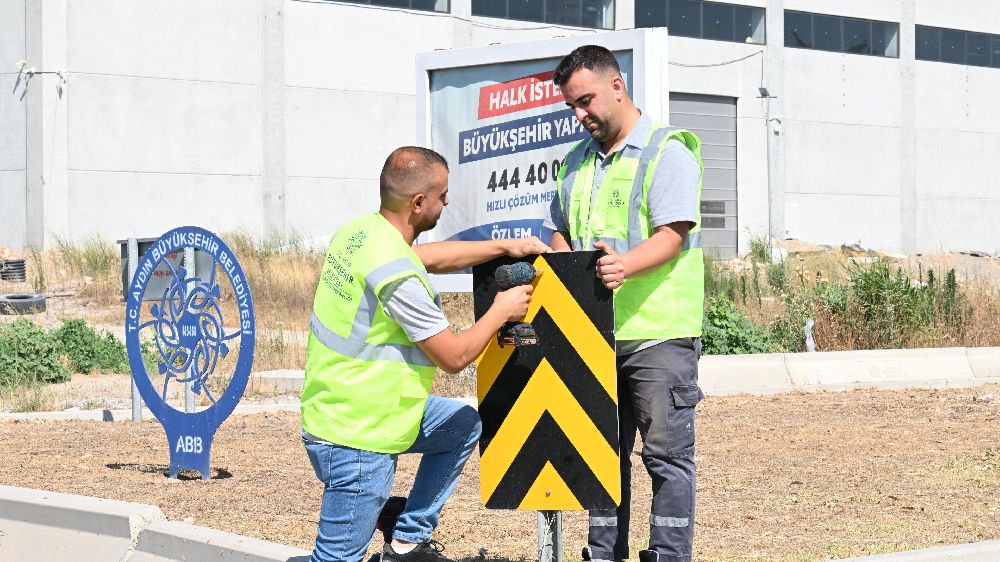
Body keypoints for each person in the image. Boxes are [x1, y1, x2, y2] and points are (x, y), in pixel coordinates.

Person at [302, 146, 551, 562]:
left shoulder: (362, 234)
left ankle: (406, 543)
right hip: (360, 438)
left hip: (347, 407)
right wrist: (501, 310)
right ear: (419, 203)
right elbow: (453, 357)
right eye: (442, 194)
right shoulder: (398, 277)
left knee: (461, 425)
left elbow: (430, 258)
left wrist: (505, 246)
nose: (447, 201)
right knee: (336, 558)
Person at [544, 45, 706, 562]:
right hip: (594, 334)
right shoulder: (575, 162)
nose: (580, 115)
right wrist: (564, 257)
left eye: (586, 101)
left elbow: (672, 235)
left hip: (658, 335)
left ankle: (667, 555)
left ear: (618, 85)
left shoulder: (666, 151)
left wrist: (625, 265)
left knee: (666, 458)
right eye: (571, 106)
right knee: (598, 457)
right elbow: (557, 231)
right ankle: (602, 554)